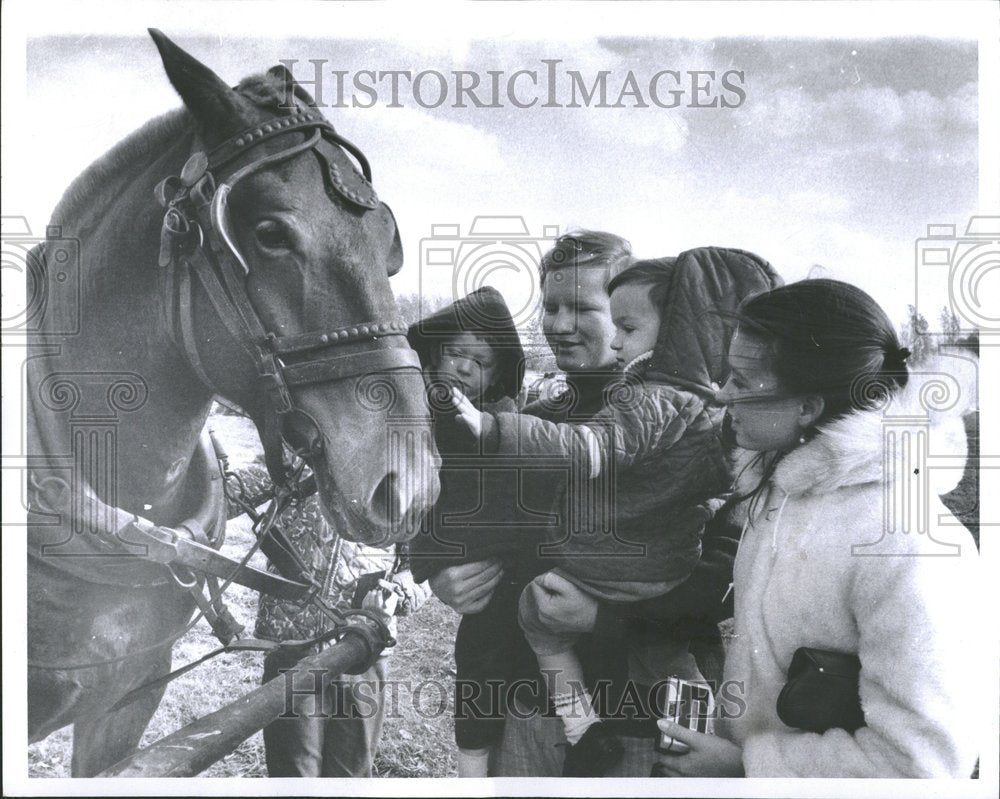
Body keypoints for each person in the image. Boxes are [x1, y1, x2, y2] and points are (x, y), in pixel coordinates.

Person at [429, 231, 781, 777]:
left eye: (584, 308)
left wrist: (607, 617)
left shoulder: (702, 421)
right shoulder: (538, 419)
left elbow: (726, 569)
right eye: (550, 306)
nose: (561, 324)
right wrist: (440, 569)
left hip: (644, 718)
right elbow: (459, 509)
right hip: (528, 707)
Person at [653, 279, 982, 778]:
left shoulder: (909, 542)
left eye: (742, 381)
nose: (721, 395)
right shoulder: (787, 492)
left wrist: (746, 768)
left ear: (808, 407)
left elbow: (924, 764)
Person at [226, 460, 432, 778]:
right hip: (294, 649)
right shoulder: (293, 457)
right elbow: (227, 494)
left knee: (350, 777)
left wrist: (398, 593)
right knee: (294, 775)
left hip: (363, 652)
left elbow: (419, 568)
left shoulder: (403, 477)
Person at [404, 286, 530, 778]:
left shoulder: (506, 422)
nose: (462, 368)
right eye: (455, 353)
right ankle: (471, 772)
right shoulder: (415, 423)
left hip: (517, 568)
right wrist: (432, 563)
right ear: (435, 356)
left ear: (497, 375)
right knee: (478, 667)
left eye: (480, 362)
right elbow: (425, 509)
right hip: (480, 588)